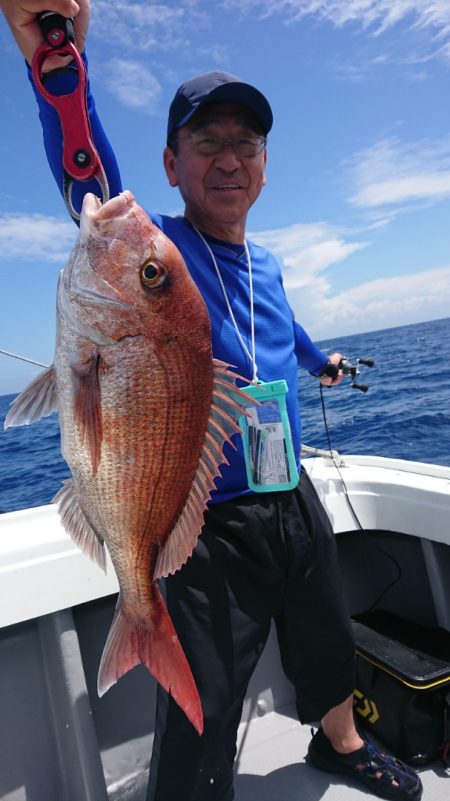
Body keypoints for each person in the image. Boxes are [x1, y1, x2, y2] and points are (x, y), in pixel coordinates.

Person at [0, 3, 423, 801]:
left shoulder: (268, 263)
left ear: (265, 164)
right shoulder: (158, 252)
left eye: (246, 143)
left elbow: (285, 329)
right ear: (171, 163)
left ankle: (340, 741)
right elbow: (91, 182)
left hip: (289, 491)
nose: (229, 159)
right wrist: (60, 74)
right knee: (206, 697)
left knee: (327, 635)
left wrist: (323, 362)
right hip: (206, 524)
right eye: (207, 141)